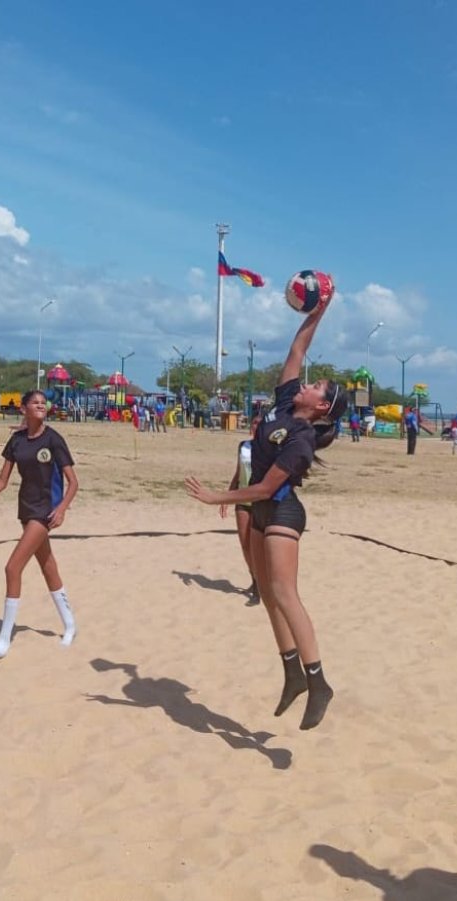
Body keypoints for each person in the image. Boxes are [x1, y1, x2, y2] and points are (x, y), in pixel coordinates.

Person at [185, 282, 347, 731]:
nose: (308, 382)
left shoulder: (300, 439)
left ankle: (320, 683)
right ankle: (292, 673)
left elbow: (263, 489)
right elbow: (298, 346)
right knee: (269, 595)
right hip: (260, 513)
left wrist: (217, 497)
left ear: (321, 406)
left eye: (317, 386)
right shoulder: (282, 407)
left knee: (285, 593)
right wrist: (318, 312)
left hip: (280, 513)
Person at [0, 389, 79, 660]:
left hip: (46, 512)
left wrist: (62, 508)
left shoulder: (54, 439)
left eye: (43, 403)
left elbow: (74, 482)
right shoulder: (16, 441)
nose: (41, 406)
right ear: (24, 409)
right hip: (26, 510)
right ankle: (70, 624)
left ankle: (4, 636)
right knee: (48, 567)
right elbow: (2, 481)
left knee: (12, 567)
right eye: (35, 403)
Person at [221, 418, 260, 604]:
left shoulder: (271, 448)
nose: (255, 427)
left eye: (259, 425)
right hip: (242, 498)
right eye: (253, 424)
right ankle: (255, 581)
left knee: (257, 545)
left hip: (261, 501)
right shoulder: (243, 446)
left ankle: (262, 583)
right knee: (245, 544)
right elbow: (238, 473)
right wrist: (227, 497)